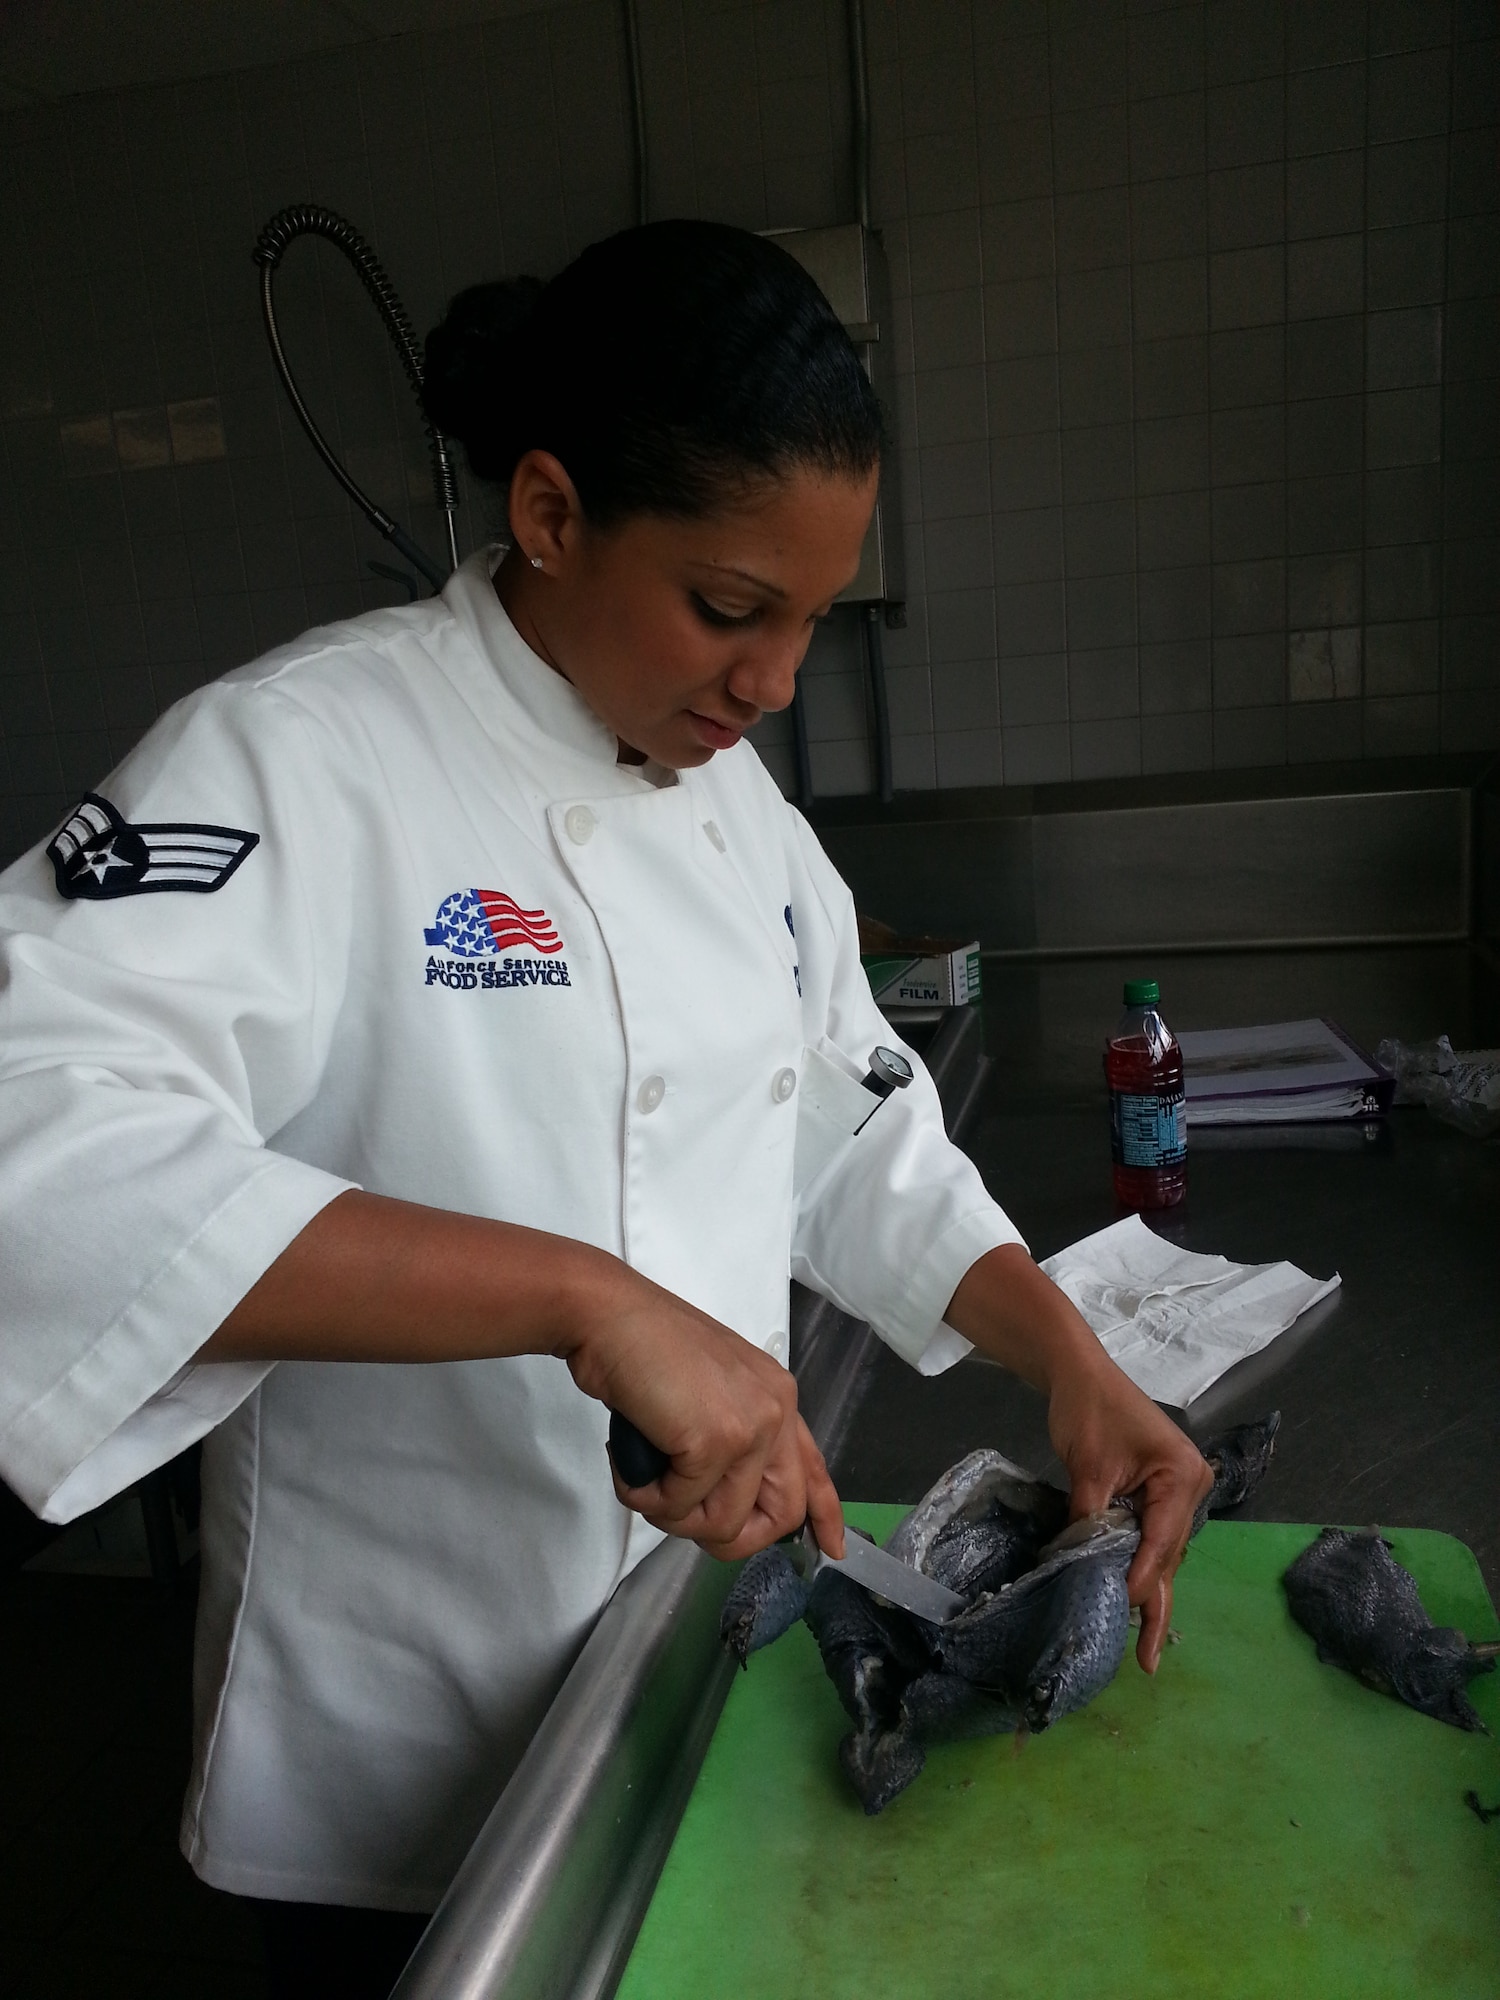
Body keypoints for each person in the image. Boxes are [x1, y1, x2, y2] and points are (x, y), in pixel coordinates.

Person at [0, 221, 1211, 1996]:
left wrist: (1064, 1357)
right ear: (553, 517)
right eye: (732, 609)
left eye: (812, 615)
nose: (777, 681)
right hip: (379, 1765)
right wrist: (587, 1301)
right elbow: (36, 1135)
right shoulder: (301, 757)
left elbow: (850, 1116)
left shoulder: (734, 806)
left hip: (680, 1681)